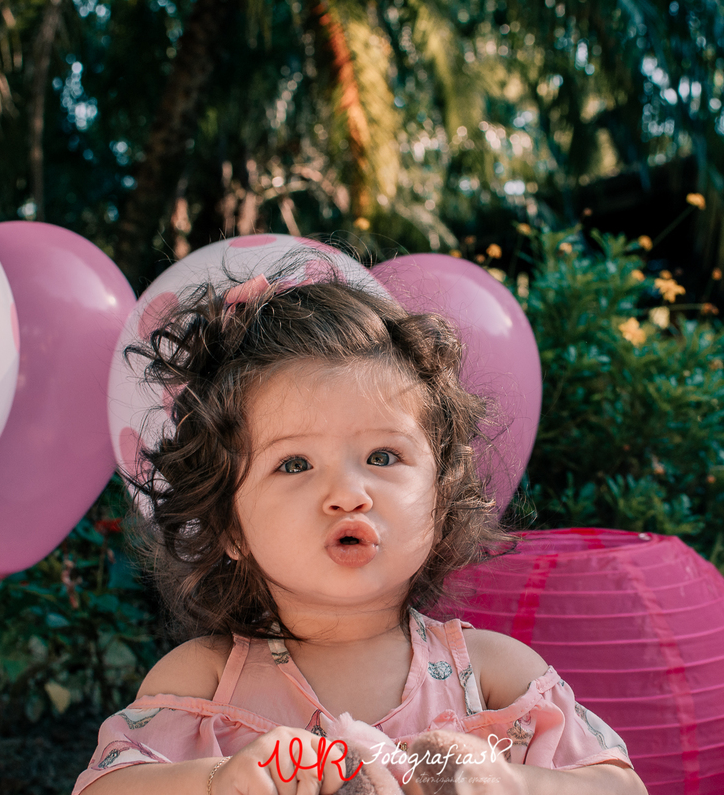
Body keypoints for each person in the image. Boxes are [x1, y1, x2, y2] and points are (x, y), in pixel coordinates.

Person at [74, 261, 646, 795]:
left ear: (440, 495)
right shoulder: (207, 679)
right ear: (231, 528)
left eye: (382, 456)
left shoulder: (493, 675)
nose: (348, 493)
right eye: (294, 464)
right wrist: (218, 779)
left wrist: (510, 783)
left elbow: (620, 786)